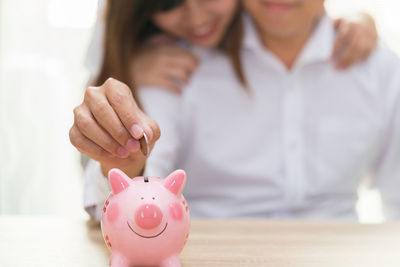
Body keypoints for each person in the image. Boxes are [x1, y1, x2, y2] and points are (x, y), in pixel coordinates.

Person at [70, 0, 387, 222]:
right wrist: (126, 164)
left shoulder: (378, 64)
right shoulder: (170, 65)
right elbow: (130, 194)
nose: (196, 19)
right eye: (168, 3)